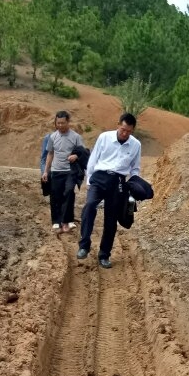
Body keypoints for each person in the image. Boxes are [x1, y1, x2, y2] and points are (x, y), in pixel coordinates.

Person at [77, 112, 141, 268]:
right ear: (118, 124)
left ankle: (104, 255)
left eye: (129, 131)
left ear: (133, 130)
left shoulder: (136, 145)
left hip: (118, 181)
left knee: (111, 219)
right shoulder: (104, 137)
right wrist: (89, 179)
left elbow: (135, 168)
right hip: (99, 177)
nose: (125, 133)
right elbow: (93, 158)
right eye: (123, 129)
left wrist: (133, 185)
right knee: (90, 205)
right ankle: (84, 245)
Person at [41, 111, 85, 232]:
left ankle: (66, 221)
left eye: (63, 123)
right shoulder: (52, 137)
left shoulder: (76, 137)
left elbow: (83, 151)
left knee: (69, 193)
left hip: (70, 171)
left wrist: (75, 156)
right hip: (56, 170)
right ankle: (56, 221)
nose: (60, 125)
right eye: (58, 123)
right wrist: (46, 171)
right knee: (55, 195)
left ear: (68, 122)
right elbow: (50, 154)